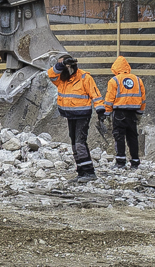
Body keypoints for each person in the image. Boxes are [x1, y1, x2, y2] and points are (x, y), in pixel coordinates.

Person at [49, 53, 101, 181]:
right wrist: (60, 64)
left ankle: (89, 172)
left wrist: (101, 110)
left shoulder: (84, 78)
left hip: (82, 115)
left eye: (63, 66)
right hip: (70, 115)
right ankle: (81, 172)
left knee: (79, 143)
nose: (60, 70)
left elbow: (96, 94)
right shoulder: (61, 79)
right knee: (74, 144)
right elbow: (51, 74)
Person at [103, 53, 145, 168]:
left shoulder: (114, 80)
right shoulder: (137, 80)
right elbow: (143, 98)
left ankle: (121, 162)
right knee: (132, 136)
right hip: (133, 113)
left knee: (119, 136)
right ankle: (135, 162)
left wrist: (106, 113)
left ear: (115, 68)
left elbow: (109, 99)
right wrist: (140, 113)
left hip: (119, 112)